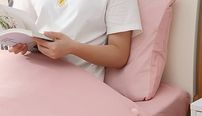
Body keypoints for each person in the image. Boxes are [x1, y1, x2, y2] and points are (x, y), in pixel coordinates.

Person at [10, 0, 142, 81]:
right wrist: (23, 43)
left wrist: (73, 48)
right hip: (32, 72)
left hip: (80, 81)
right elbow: (24, 26)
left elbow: (119, 55)